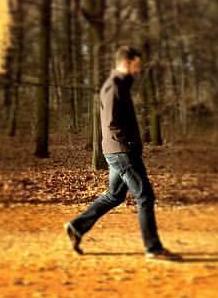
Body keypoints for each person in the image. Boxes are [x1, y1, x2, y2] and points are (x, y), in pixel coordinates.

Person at [64, 45, 181, 261]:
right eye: (136, 66)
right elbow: (111, 124)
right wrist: (129, 146)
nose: (138, 71)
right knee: (145, 196)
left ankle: (76, 226)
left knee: (115, 195)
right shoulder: (114, 87)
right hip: (122, 152)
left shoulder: (121, 86)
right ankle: (153, 249)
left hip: (120, 151)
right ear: (126, 63)